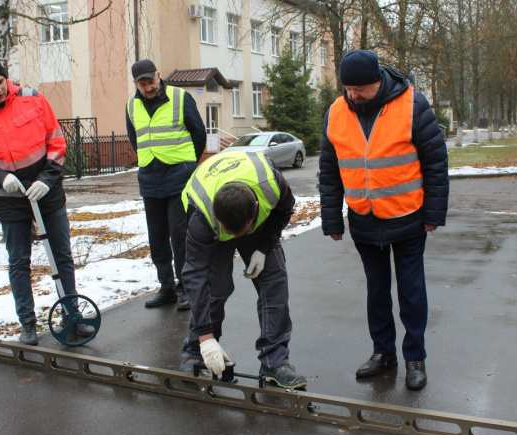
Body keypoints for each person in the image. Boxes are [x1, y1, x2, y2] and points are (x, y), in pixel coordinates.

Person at [318, 50, 449, 391]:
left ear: (379, 81)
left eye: (360, 88)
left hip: (408, 218)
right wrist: (331, 218)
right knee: (377, 292)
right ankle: (383, 353)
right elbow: (329, 172)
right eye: (348, 88)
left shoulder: (411, 105)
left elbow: (436, 163)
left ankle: (415, 358)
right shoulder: (335, 112)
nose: (353, 95)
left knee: (411, 292)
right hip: (363, 218)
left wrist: (434, 213)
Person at [0, 53, 91, 345]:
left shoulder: (33, 99)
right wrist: (0, 178)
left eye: (0, 81)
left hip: (46, 192)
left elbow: (56, 141)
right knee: (19, 261)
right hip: (9, 198)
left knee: (62, 255)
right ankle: (27, 324)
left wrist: (47, 179)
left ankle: (73, 316)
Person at [177, 151, 307, 389]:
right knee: (215, 288)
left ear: (256, 206)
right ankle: (196, 350)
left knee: (274, 282)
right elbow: (195, 274)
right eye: (230, 231)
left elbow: (284, 212)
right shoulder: (202, 214)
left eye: (240, 232)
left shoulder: (272, 186)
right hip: (216, 225)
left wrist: (264, 247)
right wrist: (206, 336)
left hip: (259, 227)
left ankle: (274, 363)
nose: (235, 238)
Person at [125, 59, 206, 311]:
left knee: (180, 235)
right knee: (157, 237)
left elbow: (198, 133)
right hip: (150, 177)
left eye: (151, 81)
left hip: (178, 177)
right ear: (136, 84)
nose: (149, 87)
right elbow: (133, 138)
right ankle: (167, 287)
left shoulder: (181, 98)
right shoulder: (131, 106)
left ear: (159, 76)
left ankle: (185, 287)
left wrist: (188, 164)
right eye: (143, 83)